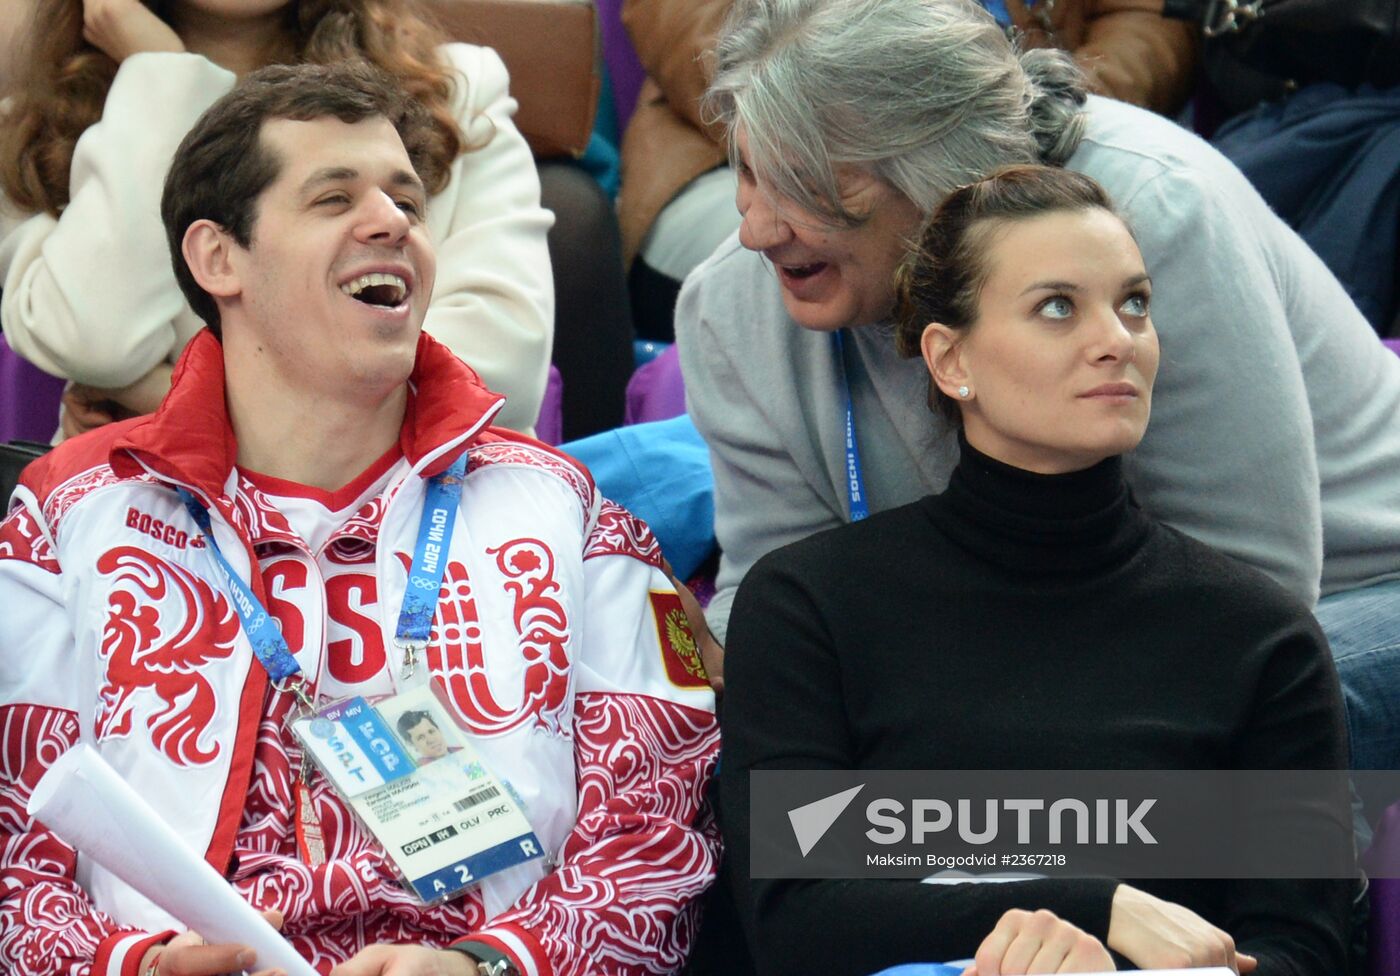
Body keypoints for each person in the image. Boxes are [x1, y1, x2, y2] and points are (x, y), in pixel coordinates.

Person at [0, 62, 719, 976]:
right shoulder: (69, 515)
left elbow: (656, 826)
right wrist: (130, 966)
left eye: (408, 203)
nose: (392, 222)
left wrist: (490, 964)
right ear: (218, 258)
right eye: (333, 197)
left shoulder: (568, 511)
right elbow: (17, 849)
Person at [675, 0, 1400, 801]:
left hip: (1345, 598)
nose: (756, 229)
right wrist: (705, 657)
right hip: (1023, 655)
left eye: (804, 182)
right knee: (767, 800)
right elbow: (780, 587)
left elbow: (1252, 600)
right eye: (746, 170)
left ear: (936, 166)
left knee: (1244, 742)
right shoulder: (733, 306)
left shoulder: (1144, 217)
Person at [719, 164, 1354, 976]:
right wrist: (1096, 905)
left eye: (1135, 304)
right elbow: (793, 919)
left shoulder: (1258, 635)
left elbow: (1302, 949)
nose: (1117, 339)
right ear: (951, 362)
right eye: (1059, 307)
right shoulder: (811, 605)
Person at [0, 0, 552, 436]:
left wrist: (164, 397)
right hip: (147, 514)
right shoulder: (38, 127)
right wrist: (161, 76)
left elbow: (499, 369)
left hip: (419, 517)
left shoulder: (455, 90)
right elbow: (95, 339)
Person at [617, 0, 1197, 340]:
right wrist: (810, 112)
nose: (756, 233)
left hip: (1009, 123)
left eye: (805, 189)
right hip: (719, 136)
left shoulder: (1165, 210)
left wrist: (1012, 104)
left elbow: (1142, 16)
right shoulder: (728, 295)